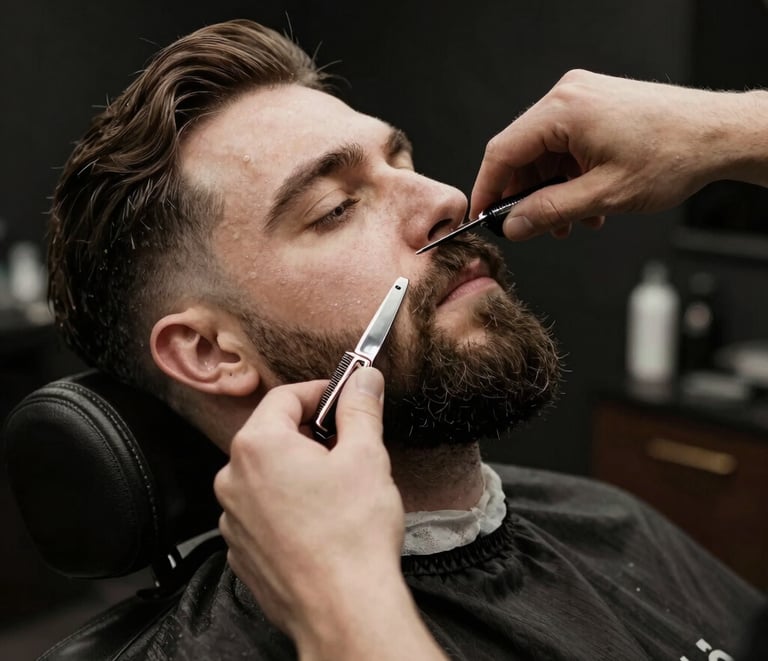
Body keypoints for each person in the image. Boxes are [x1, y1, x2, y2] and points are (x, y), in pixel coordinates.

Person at [47, 20, 763, 661]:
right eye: (335, 208)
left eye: (404, 161)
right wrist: (344, 604)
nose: (446, 198)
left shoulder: (608, 519)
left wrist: (726, 132)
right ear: (211, 352)